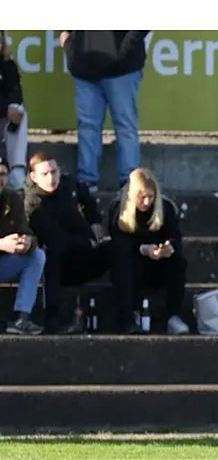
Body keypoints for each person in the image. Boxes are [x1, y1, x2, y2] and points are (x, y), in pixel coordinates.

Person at [25, 152, 111, 334]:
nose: (51, 179)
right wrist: (87, 242)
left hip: (83, 255)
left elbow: (86, 197)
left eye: (54, 172)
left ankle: (128, 315)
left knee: (119, 248)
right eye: (45, 174)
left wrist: (94, 221)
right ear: (33, 177)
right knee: (52, 252)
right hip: (59, 264)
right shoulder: (33, 203)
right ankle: (52, 318)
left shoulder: (67, 184)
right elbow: (55, 238)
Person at [59, 31, 150, 191]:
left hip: (122, 68)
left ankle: (129, 184)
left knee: (124, 126)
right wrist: (67, 39)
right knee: (88, 126)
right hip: (85, 64)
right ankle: (87, 183)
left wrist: (127, 46)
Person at [108, 168, 189, 334]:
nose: (146, 202)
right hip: (132, 264)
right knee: (124, 260)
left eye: (150, 197)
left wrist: (168, 247)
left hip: (157, 264)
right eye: (142, 197)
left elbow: (175, 236)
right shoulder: (119, 209)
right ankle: (128, 315)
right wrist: (143, 249)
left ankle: (173, 315)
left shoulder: (165, 208)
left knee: (178, 262)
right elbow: (119, 242)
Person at [0, 156, 44, 334]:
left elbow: (26, 231)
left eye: (3, 174)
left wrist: (27, 242)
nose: (0, 179)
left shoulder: (13, 198)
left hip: (4, 264)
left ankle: (22, 318)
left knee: (37, 255)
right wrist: (2, 244)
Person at [1, 31, 28, 190]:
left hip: (3, 119)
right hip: (2, 113)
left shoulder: (8, 65)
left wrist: (8, 109)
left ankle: (17, 171)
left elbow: (16, 94)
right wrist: (5, 109)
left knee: (19, 110)